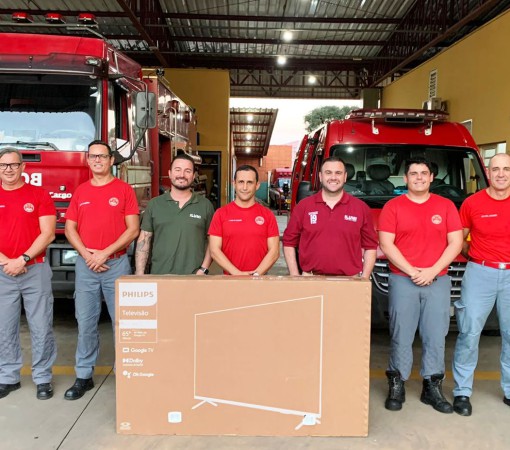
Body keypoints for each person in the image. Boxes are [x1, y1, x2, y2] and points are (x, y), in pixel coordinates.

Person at [378, 157, 463, 414]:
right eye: (413, 174)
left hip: (437, 280)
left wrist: (432, 271)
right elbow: (386, 243)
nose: (419, 178)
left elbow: (456, 242)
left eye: (423, 173)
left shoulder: (446, 206)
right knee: (401, 333)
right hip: (403, 279)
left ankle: (432, 387)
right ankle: (398, 383)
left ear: (431, 177)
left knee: (436, 336)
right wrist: (413, 271)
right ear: (405, 179)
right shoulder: (393, 207)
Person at [64, 140, 139, 400]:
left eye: (103, 156)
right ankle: (83, 376)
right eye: (93, 156)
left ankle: (126, 375)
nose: (98, 161)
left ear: (110, 160)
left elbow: (133, 229)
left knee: (123, 323)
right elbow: (70, 228)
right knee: (85, 322)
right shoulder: (81, 192)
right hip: (86, 265)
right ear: (88, 160)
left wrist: (105, 253)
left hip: (116, 263)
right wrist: (87, 255)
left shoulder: (124, 190)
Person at [452, 153, 510, 416]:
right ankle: (462, 392)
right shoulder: (472, 203)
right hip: (480, 272)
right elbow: (459, 240)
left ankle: (509, 390)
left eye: (506, 169)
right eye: (496, 169)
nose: (501, 174)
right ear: (487, 171)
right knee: (469, 333)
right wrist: (476, 257)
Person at [0, 148, 57, 400]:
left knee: (41, 325)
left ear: (23, 167)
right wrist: (7, 263)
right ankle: (8, 377)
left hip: (35, 270)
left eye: (13, 165)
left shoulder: (39, 194)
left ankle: (43, 377)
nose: (8, 170)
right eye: (3, 165)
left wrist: (22, 258)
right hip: (3, 271)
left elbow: (48, 233)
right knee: (4, 327)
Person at [283, 156, 378, 278]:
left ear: (345, 177)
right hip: (311, 279)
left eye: (338, 173)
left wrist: (364, 278)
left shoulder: (361, 208)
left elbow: (370, 246)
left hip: (349, 281)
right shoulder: (303, 207)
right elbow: (289, 242)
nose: (333, 177)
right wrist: (295, 275)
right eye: (328, 173)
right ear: (320, 177)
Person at [135, 153, 214, 275]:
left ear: (193, 176)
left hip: (194, 278)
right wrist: (139, 274)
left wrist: (203, 269)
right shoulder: (155, 204)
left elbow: (213, 242)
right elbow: (144, 240)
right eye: (177, 170)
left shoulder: (205, 205)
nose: (182, 175)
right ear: (170, 173)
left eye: (187, 171)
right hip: (160, 276)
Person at [209, 165, 279, 275]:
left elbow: (274, 252)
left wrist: (255, 275)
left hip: (259, 280)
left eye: (250, 182)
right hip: (230, 281)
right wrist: (236, 274)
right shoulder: (220, 214)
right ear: (234, 184)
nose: (245, 187)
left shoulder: (268, 215)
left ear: (257, 185)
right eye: (241, 182)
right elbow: (214, 250)